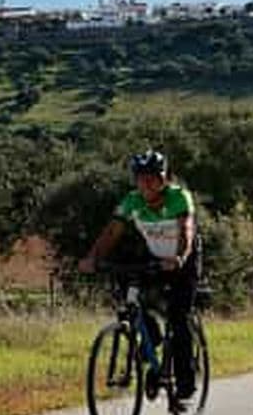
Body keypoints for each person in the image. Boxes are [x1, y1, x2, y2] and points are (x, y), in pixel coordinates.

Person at [78, 149, 199, 400]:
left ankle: (186, 382)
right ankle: (151, 335)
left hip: (183, 260)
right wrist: (92, 258)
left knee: (178, 317)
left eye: (153, 177)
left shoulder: (179, 197)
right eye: (141, 177)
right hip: (156, 257)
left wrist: (179, 257)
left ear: (164, 178)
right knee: (129, 291)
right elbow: (111, 233)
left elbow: (186, 230)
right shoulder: (132, 201)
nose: (147, 183)